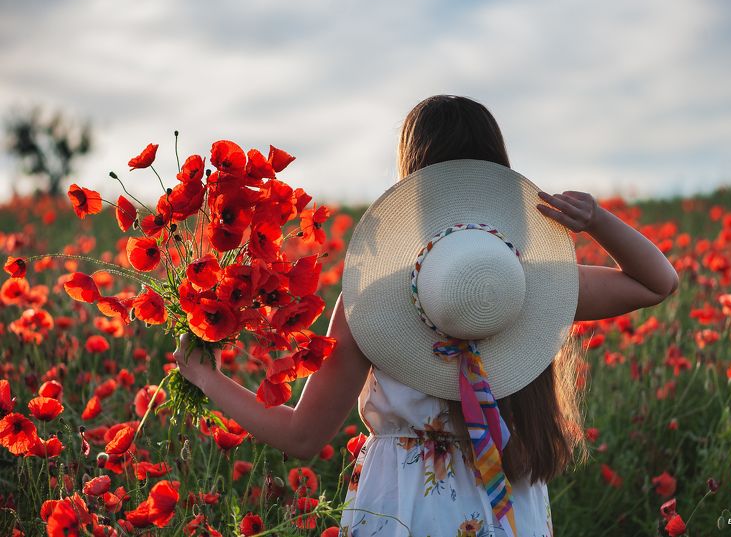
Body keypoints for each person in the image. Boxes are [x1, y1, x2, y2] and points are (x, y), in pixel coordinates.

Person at [174, 94, 680, 537]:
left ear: (413, 185)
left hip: (406, 503)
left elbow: (302, 436)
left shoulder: (374, 298)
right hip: (510, 506)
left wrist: (205, 376)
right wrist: (596, 221)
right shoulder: (531, 284)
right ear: (497, 175)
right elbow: (657, 282)